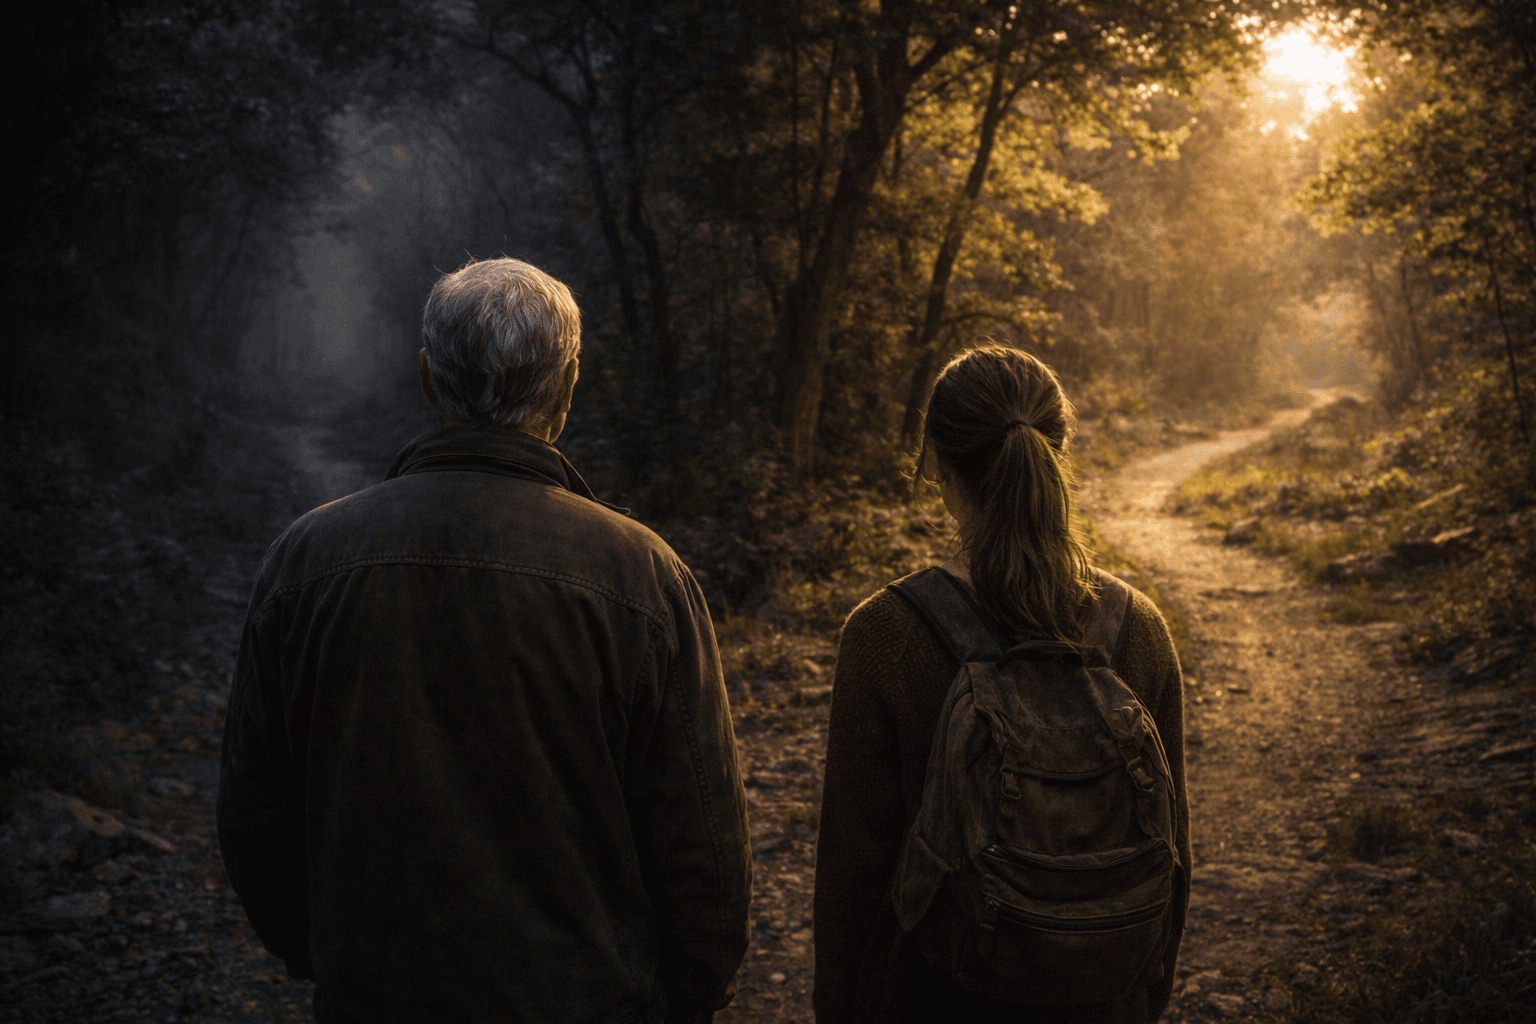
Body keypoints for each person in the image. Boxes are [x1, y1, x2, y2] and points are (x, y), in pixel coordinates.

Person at [217, 257, 752, 1024]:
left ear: (430, 381)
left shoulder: (304, 561)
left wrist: (331, 957)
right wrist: (677, 1000)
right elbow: (705, 850)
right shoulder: (643, 577)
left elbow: (253, 814)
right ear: (568, 385)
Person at [812, 345, 1190, 1023]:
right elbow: (1172, 858)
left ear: (938, 466)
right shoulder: (1138, 630)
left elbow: (854, 881)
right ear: (1060, 453)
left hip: (934, 999)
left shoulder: (885, 634)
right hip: (1104, 1000)